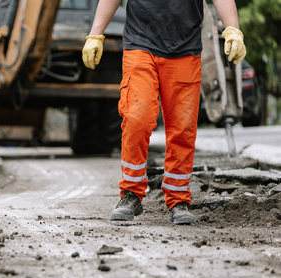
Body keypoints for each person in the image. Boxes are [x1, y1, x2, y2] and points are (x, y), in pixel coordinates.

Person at [82, 0, 246, 224]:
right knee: (136, 117)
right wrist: (95, 34)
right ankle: (131, 193)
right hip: (140, 45)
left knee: (183, 128)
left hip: (185, 49)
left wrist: (232, 29)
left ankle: (178, 199)